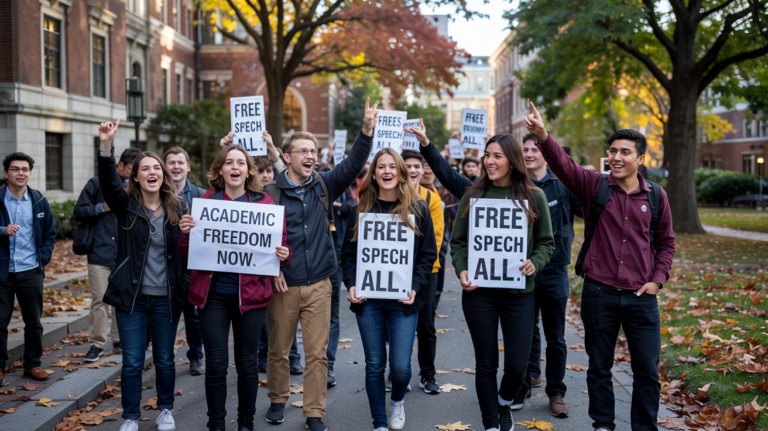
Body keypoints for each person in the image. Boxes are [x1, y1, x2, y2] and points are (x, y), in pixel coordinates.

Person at [524, 102, 675, 431]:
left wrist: (658, 280)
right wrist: (544, 136)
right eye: (612, 151)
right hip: (599, 293)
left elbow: (666, 244)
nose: (617, 157)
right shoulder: (596, 186)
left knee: (647, 371)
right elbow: (565, 167)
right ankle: (603, 425)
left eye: (624, 151)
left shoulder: (656, 197)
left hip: (641, 298)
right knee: (599, 368)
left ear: (640, 159)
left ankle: (644, 428)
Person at [262, 99, 375, 431]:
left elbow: (354, 163)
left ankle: (314, 412)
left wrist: (366, 131)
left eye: (313, 150)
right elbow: (258, 242)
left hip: (320, 284)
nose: (310, 155)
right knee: (279, 351)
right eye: (302, 151)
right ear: (287, 157)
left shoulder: (324, 185)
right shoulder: (269, 194)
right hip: (283, 285)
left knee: (317, 354)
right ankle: (278, 400)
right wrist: (274, 270)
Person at [178, 143, 292, 431]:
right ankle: (216, 424)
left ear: (248, 170)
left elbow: (282, 248)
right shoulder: (205, 202)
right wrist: (185, 234)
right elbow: (186, 256)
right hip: (212, 297)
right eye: (229, 162)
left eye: (240, 162)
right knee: (215, 365)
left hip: (250, 298)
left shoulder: (264, 205)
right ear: (220, 169)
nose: (235, 167)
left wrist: (283, 256)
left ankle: (245, 422)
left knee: (247, 364)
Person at [450, 134, 554, 431]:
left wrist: (536, 261)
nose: (489, 161)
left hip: (519, 294)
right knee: (486, 364)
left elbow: (546, 242)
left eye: (497, 156)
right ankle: (491, 423)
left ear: (512, 160)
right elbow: (458, 244)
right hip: (478, 294)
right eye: (487, 155)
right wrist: (462, 270)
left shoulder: (535, 197)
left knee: (518, 367)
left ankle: (504, 403)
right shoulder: (473, 196)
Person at [96, 120, 186, 431]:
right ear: (135, 176)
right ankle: (131, 417)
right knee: (132, 361)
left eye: (156, 168)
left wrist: (185, 287)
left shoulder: (180, 209)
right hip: (131, 300)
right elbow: (107, 182)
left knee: (164, 359)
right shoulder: (126, 206)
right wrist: (106, 145)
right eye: (144, 168)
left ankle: (165, 409)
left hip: (166, 300)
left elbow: (190, 254)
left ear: (163, 175)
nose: (151, 172)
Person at [341, 148, 437, 431]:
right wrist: (351, 284)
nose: (386, 172)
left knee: (400, 367)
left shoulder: (417, 209)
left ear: (400, 172)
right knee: (374, 364)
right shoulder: (361, 209)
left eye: (392, 167)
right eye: (381, 167)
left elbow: (427, 255)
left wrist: (416, 287)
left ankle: (397, 401)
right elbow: (347, 256)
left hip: (402, 300)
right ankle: (379, 422)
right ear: (374, 174)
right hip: (369, 300)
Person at [509, 133, 582, 416]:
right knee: (524, 331)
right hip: (520, 271)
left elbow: (591, 210)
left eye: (534, 149)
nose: (528, 154)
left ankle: (556, 394)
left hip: (554, 271)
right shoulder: (513, 185)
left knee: (557, 337)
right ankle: (525, 380)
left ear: (546, 153)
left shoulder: (564, 185)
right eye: (524, 149)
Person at [74, 148, 140, 362]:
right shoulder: (95, 183)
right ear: (119, 165)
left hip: (126, 254)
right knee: (100, 300)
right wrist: (100, 207)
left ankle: (119, 339)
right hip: (99, 253)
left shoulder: (138, 187)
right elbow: (78, 212)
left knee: (123, 300)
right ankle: (96, 344)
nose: (131, 174)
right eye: (130, 169)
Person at [0, 153, 56, 385]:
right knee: (0, 322)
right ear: (6, 173)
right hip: (3, 272)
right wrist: (1, 230)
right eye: (15, 169)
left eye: (25, 169)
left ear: (30, 173)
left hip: (30, 270)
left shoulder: (39, 201)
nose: (21, 173)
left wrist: (41, 259)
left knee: (33, 321)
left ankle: (32, 365)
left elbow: (49, 235)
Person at [401, 148, 444, 394]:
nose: (414, 170)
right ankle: (398, 372)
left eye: (417, 166)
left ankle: (428, 374)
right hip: (395, 272)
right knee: (397, 324)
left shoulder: (431, 199)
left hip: (427, 273)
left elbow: (436, 241)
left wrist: (419, 272)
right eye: (408, 165)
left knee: (426, 326)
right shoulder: (389, 197)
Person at [164, 147, 206, 376]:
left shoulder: (201, 195)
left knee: (194, 315)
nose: (176, 167)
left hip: (192, 266)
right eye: (171, 163)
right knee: (166, 314)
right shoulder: (158, 194)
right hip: (166, 265)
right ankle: (164, 358)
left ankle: (196, 356)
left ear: (188, 166)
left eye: (180, 162)